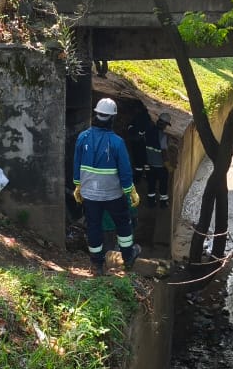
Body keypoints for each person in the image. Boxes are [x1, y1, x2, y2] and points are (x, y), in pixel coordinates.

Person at [73, 97, 141, 275]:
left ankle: (97, 264)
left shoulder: (83, 137)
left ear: (96, 115)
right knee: (123, 224)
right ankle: (128, 256)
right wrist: (130, 190)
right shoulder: (117, 142)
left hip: (90, 194)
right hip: (113, 194)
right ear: (112, 118)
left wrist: (78, 185)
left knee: (93, 226)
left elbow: (76, 164)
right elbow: (125, 170)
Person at [142, 111, 172, 208]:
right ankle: (163, 203)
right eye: (166, 125)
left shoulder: (148, 131)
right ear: (164, 124)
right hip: (160, 166)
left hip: (149, 164)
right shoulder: (163, 136)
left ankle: (151, 203)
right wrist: (168, 165)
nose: (165, 127)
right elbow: (163, 152)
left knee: (151, 184)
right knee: (163, 185)